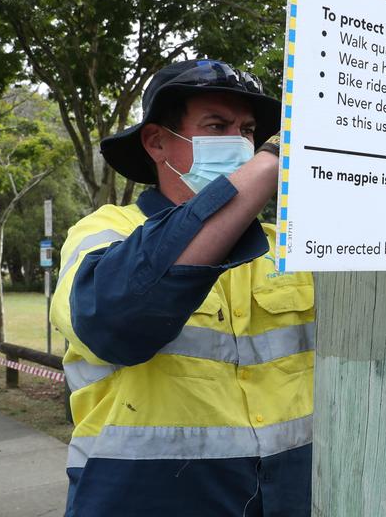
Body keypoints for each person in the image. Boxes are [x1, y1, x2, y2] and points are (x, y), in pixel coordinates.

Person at [51, 59, 314, 516]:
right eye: (217, 126)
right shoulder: (104, 232)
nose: (240, 142)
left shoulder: (288, 246)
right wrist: (271, 162)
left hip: (289, 497)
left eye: (248, 130)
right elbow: (115, 320)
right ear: (157, 142)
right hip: (142, 500)